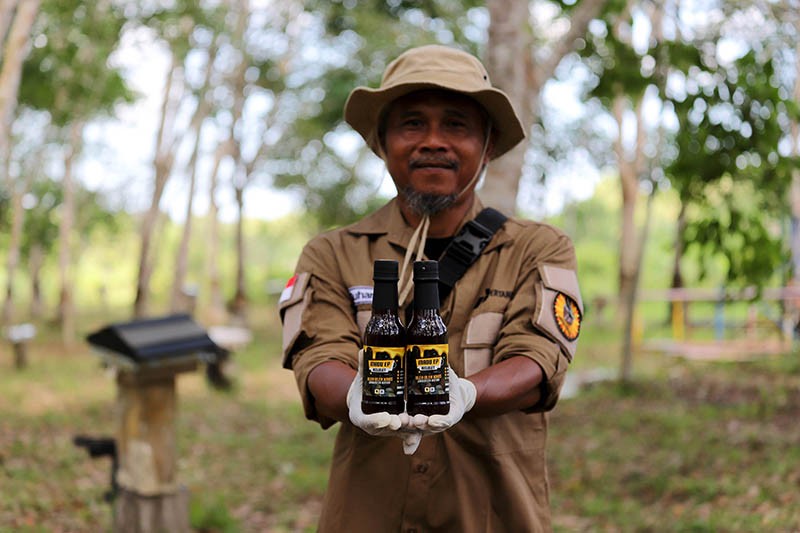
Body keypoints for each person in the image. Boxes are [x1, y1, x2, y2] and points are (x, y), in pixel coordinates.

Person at [279, 44, 583, 533]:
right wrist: (358, 393)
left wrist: (462, 394)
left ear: (487, 145)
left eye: (457, 125)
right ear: (382, 142)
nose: (433, 142)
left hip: (491, 515)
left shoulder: (536, 249)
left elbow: (536, 356)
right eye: (412, 124)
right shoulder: (334, 254)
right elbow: (319, 358)